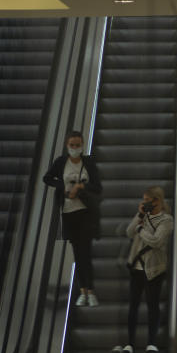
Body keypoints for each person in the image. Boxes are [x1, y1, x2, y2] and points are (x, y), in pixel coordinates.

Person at [43, 131, 102, 307]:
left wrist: (81, 187)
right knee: (78, 253)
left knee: (86, 253)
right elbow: (47, 178)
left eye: (78, 145)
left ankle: (90, 291)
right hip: (68, 214)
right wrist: (63, 187)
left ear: (83, 145)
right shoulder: (61, 162)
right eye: (72, 145)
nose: (75, 148)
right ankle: (83, 291)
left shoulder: (88, 163)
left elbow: (97, 186)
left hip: (85, 213)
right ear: (67, 146)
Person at [114, 186, 174, 353]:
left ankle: (151, 343)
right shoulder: (142, 216)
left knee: (152, 305)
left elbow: (156, 241)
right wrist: (139, 216)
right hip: (136, 267)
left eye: (148, 200)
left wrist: (141, 229)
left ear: (157, 200)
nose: (145, 203)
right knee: (133, 305)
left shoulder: (167, 220)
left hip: (155, 268)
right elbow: (128, 232)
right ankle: (130, 343)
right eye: (144, 200)